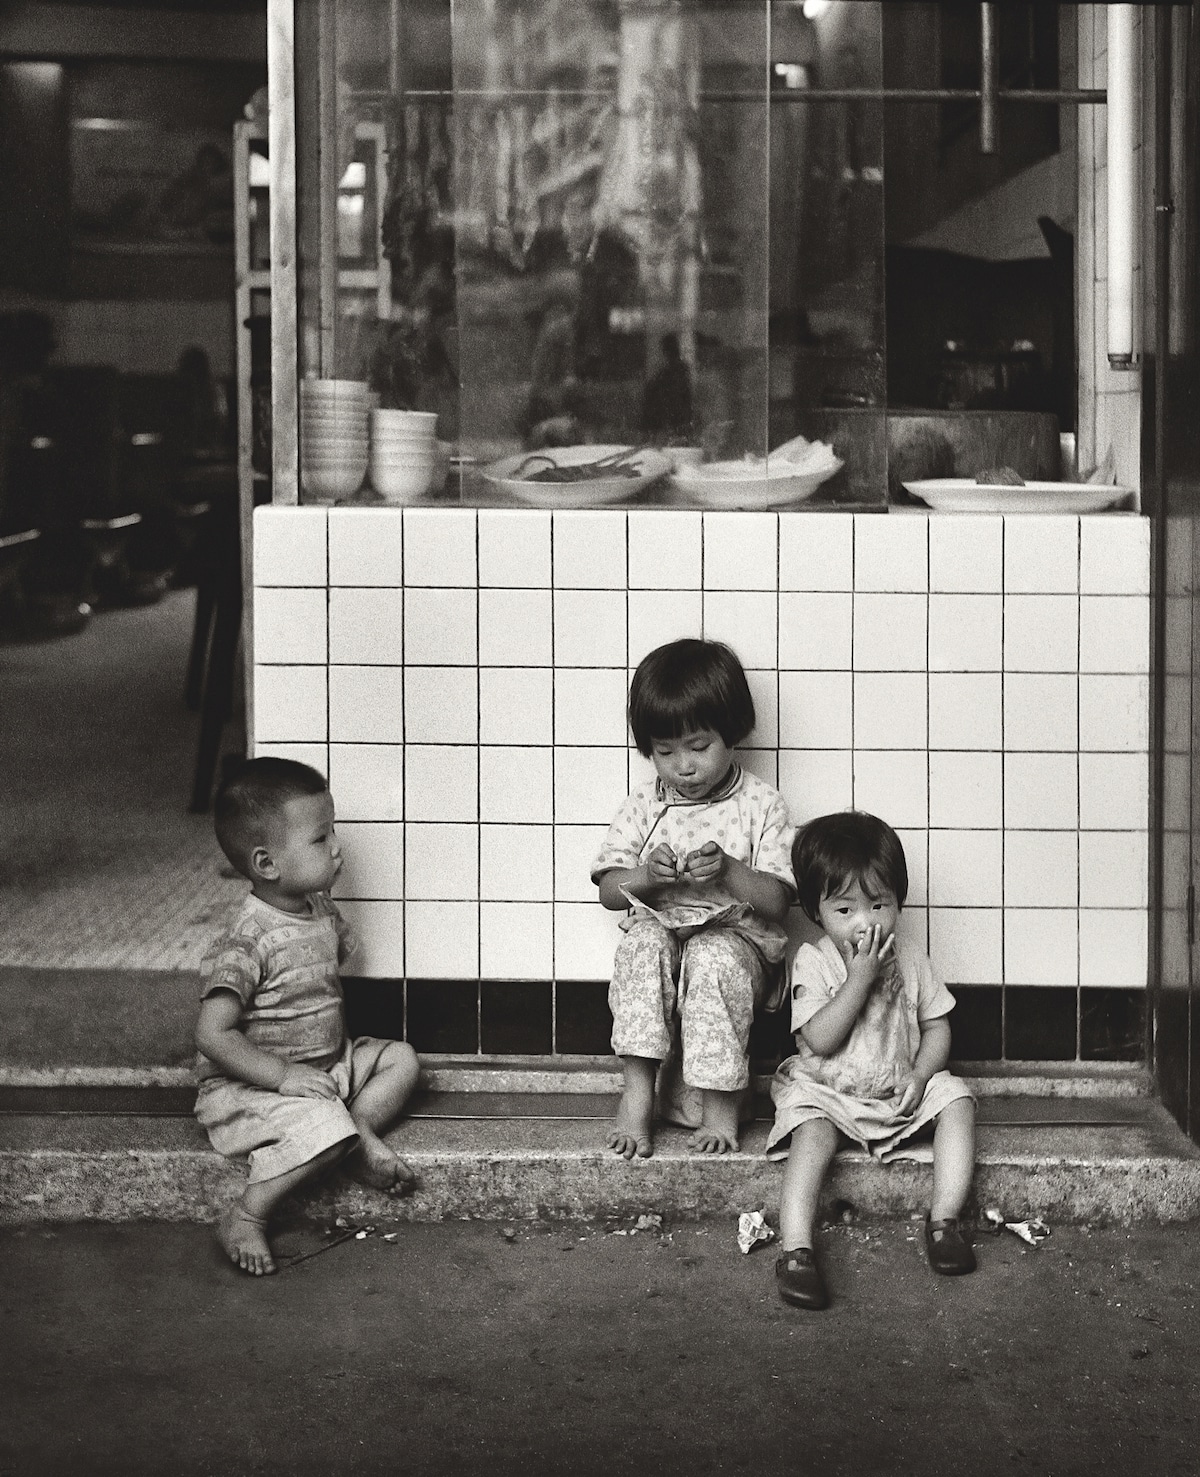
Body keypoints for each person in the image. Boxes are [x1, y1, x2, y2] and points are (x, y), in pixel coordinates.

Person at [194, 758, 419, 1276]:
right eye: (321, 839)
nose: (337, 847)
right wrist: (282, 1076)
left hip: (325, 1068)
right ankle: (248, 1214)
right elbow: (211, 1033)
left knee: (402, 1059)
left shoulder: (316, 907)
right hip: (253, 1087)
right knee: (326, 1128)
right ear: (267, 864)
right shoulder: (246, 939)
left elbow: (325, 964)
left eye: (332, 831)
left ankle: (357, 1130)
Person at [592, 639, 795, 1160]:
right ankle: (637, 1095)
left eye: (699, 747)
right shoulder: (644, 806)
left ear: (733, 733)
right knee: (642, 944)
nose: (682, 766)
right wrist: (646, 876)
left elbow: (778, 900)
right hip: (665, 938)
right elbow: (610, 893)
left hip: (737, 946)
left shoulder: (761, 805)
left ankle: (721, 1106)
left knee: (712, 955)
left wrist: (730, 871)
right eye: (665, 752)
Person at [768, 811, 976, 1311]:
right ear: (817, 913)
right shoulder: (814, 961)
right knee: (811, 1132)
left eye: (879, 904)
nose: (866, 922)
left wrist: (921, 1074)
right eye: (845, 910)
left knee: (959, 1098)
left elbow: (936, 1026)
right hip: (829, 1094)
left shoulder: (910, 958)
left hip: (896, 1090)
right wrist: (858, 980)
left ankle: (944, 1220)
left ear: (898, 901)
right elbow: (818, 1039)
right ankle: (796, 1248)